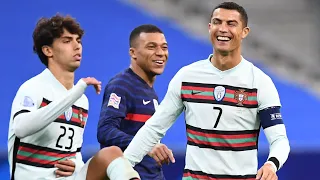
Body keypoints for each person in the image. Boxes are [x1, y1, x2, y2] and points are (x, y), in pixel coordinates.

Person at [123, 2, 290, 180]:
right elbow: (153, 129)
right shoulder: (187, 77)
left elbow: (279, 140)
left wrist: (271, 164)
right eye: (217, 22)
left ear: (244, 32)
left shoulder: (259, 82)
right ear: (210, 27)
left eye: (231, 24)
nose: (223, 29)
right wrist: (123, 167)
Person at [7, 14, 140, 180]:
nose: (77, 46)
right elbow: (21, 128)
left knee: (111, 154)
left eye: (78, 41)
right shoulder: (32, 88)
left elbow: (74, 152)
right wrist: (75, 92)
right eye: (67, 41)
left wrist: (76, 165)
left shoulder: (81, 101)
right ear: (48, 50)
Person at [97, 24, 174, 180]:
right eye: (151, 47)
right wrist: (146, 145)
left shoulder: (149, 91)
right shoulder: (121, 85)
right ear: (133, 53)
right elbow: (105, 130)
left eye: (164, 47)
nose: (160, 53)